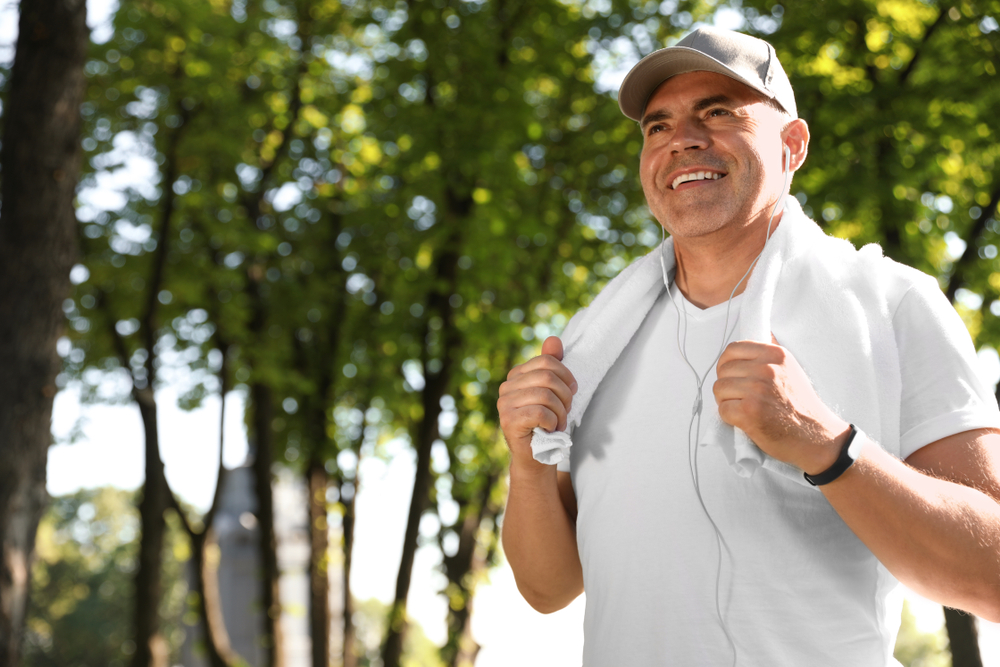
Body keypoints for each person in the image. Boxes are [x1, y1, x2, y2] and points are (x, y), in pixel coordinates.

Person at [497, 27, 1000, 665]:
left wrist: (828, 447)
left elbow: (993, 577)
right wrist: (527, 462)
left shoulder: (892, 303)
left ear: (792, 145)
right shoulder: (591, 343)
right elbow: (548, 588)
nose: (682, 139)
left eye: (718, 112)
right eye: (657, 126)